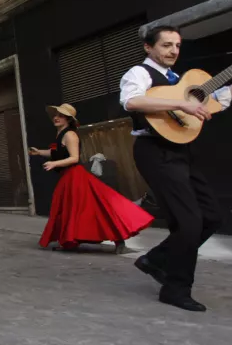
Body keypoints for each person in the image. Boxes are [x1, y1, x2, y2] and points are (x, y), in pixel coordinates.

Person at [120, 25, 232, 311]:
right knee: (189, 221)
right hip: (154, 150)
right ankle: (175, 288)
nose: (173, 51)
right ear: (149, 47)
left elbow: (214, 103)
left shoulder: (178, 80)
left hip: (183, 149)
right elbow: (132, 101)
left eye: (177, 46)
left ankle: (156, 259)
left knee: (211, 216)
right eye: (166, 45)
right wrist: (182, 104)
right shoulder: (140, 74)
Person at [29, 103, 154, 252]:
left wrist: (55, 163)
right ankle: (71, 239)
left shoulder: (70, 135)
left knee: (92, 207)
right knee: (71, 209)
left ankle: (118, 240)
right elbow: (55, 151)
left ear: (69, 120)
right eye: (56, 115)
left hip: (75, 176)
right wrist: (40, 152)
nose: (56, 118)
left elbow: (74, 158)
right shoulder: (60, 134)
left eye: (61, 116)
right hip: (68, 177)